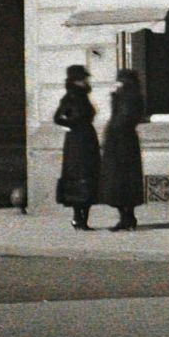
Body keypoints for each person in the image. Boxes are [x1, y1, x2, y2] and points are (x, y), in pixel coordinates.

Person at [51, 65, 100, 230]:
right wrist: (73, 125)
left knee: (89, 177)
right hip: (76, 143)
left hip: (88, 141)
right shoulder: (70, 97)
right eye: (82, 78)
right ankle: (77, 218)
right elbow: (57, 118)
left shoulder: (84, 96)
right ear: (75, 80)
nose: (85, 81)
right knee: (78, 178)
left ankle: (83, 219)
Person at [99, 69, 147, 232]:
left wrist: (114, 98)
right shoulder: (134, 96)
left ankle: (125, 218)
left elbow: (120, 119)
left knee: (118, 180)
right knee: (126, 181)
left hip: (119, 143)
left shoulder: (126, 97)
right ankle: (128, 217)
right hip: (127, 142)